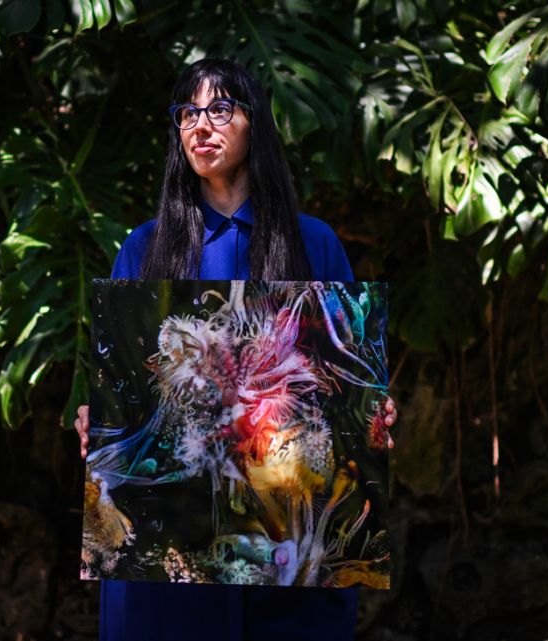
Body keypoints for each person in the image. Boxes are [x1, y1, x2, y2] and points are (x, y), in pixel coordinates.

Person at [73, 58, 398, 641]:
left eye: (220, 108)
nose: (201, 125)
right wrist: (98, 423)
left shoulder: (313, 243)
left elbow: (352, 376)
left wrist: (372, 411)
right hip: (171, 541)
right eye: (187, 113)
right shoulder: (145, 247)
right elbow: (121, 376)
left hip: (287, 536)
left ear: (256, 124)